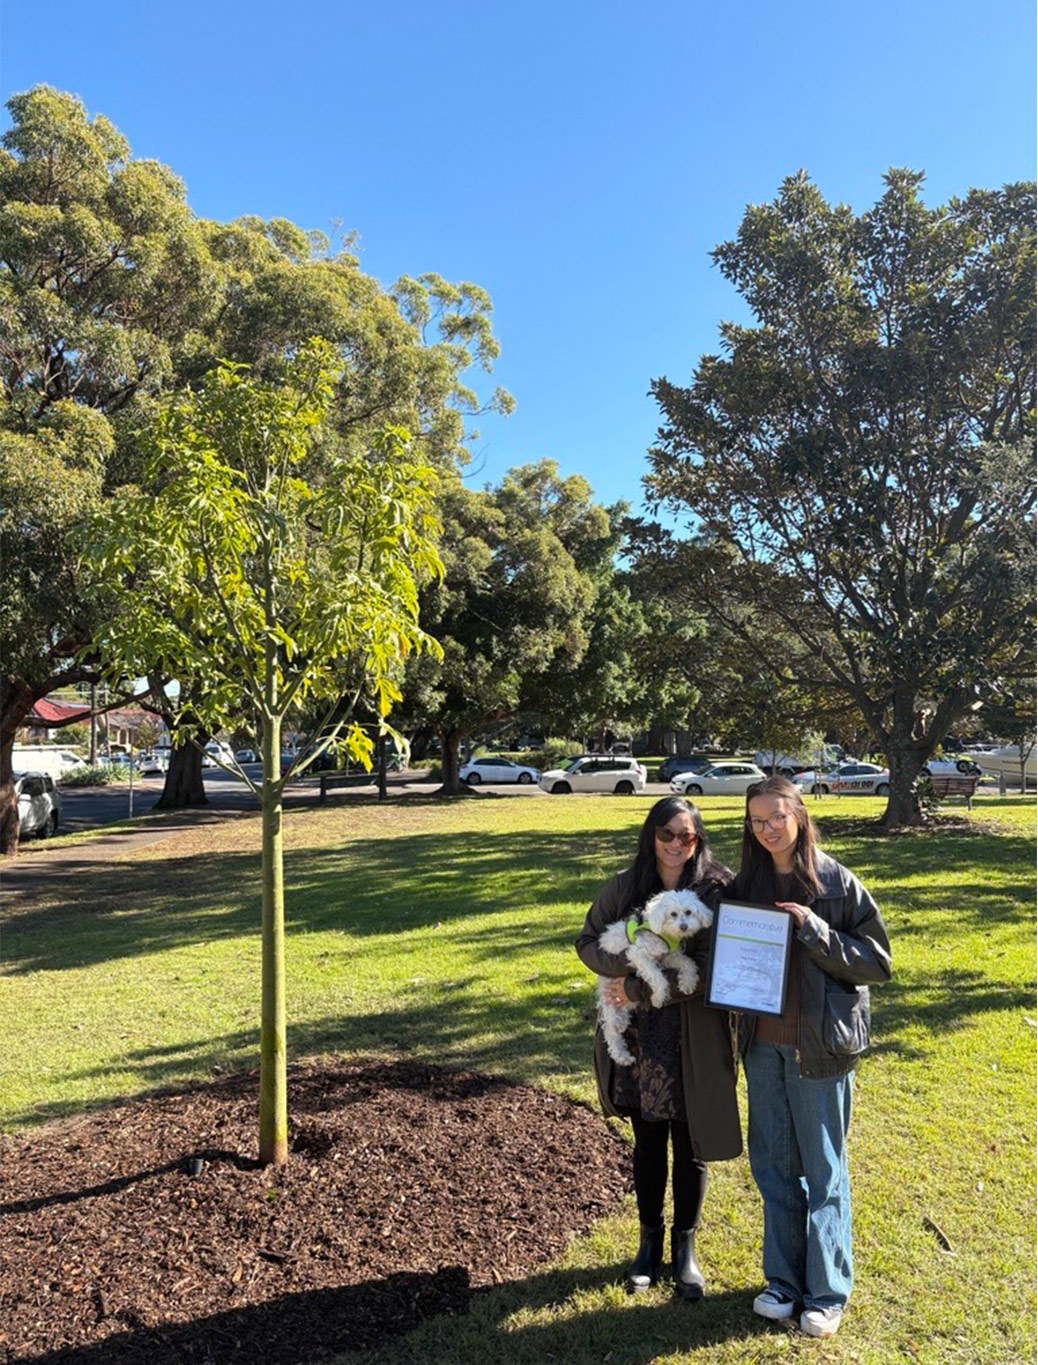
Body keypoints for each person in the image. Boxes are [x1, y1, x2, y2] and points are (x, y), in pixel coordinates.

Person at [734, 776, 891, 1339]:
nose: (767, 828)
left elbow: (876, 963)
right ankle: (783, 1282)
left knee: (824, 1173)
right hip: (762, 1048)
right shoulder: (746, 883)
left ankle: (826, 1292)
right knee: (773, 1167)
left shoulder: (834, 881)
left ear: (798, 815)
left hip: (819, 1048)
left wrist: (814, 929)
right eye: (757, 820)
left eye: (776, 816)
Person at [575, 796, 741, 1298]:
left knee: (692, 1144)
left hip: (696, 1031)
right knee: (648, 1141)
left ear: (698, 840)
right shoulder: (627, 886)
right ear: (652, 836)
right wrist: (625, 975)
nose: (675, 844)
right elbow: (588, 943)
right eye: (666, 834)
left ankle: (684, 1250)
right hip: (641, 1037)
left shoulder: (717, 889)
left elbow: (722, 962)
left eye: (686, 836)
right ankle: (647, 1245)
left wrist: (638, 989)